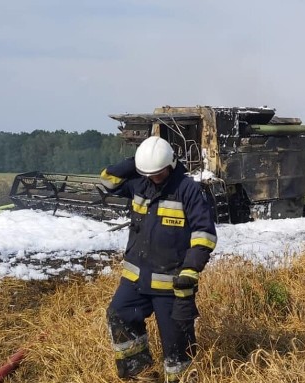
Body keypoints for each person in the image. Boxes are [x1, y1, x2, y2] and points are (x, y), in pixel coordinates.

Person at [99, 136, 217, 382]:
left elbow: (204, 235)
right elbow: (107, 180)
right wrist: (139, 161)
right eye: (148, 173)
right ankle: (140, 374)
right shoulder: (139, 183)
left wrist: (190, 271)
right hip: (135, 281)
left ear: (171, 165)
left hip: (172, 286)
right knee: (119, 315)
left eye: (158, 173)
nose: (153, 178)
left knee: (177, 348)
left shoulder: (188, 190)